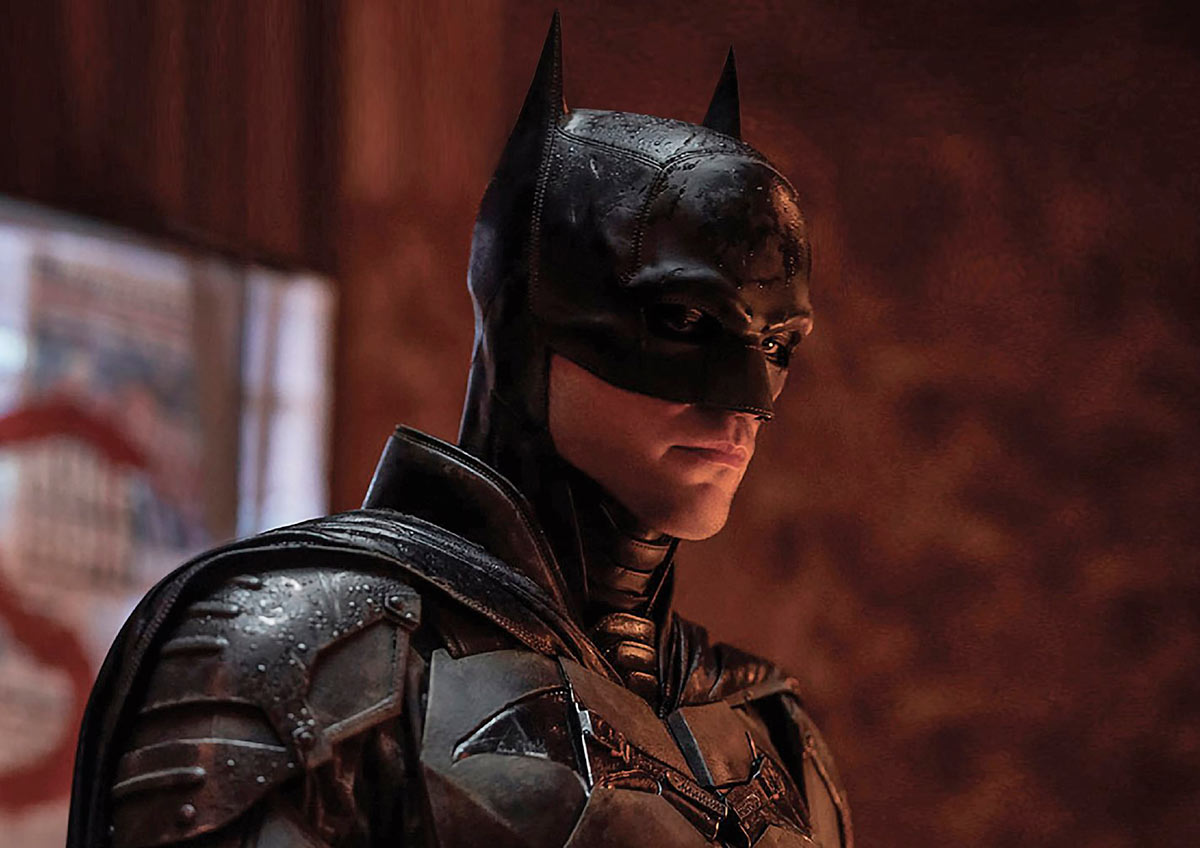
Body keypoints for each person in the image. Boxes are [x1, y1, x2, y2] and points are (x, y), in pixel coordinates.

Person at [68, 15, 852, 848]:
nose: (745, 405)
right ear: (526, 321)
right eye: (685, 322)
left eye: (777, 344)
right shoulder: (297, 646)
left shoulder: (771, 730)